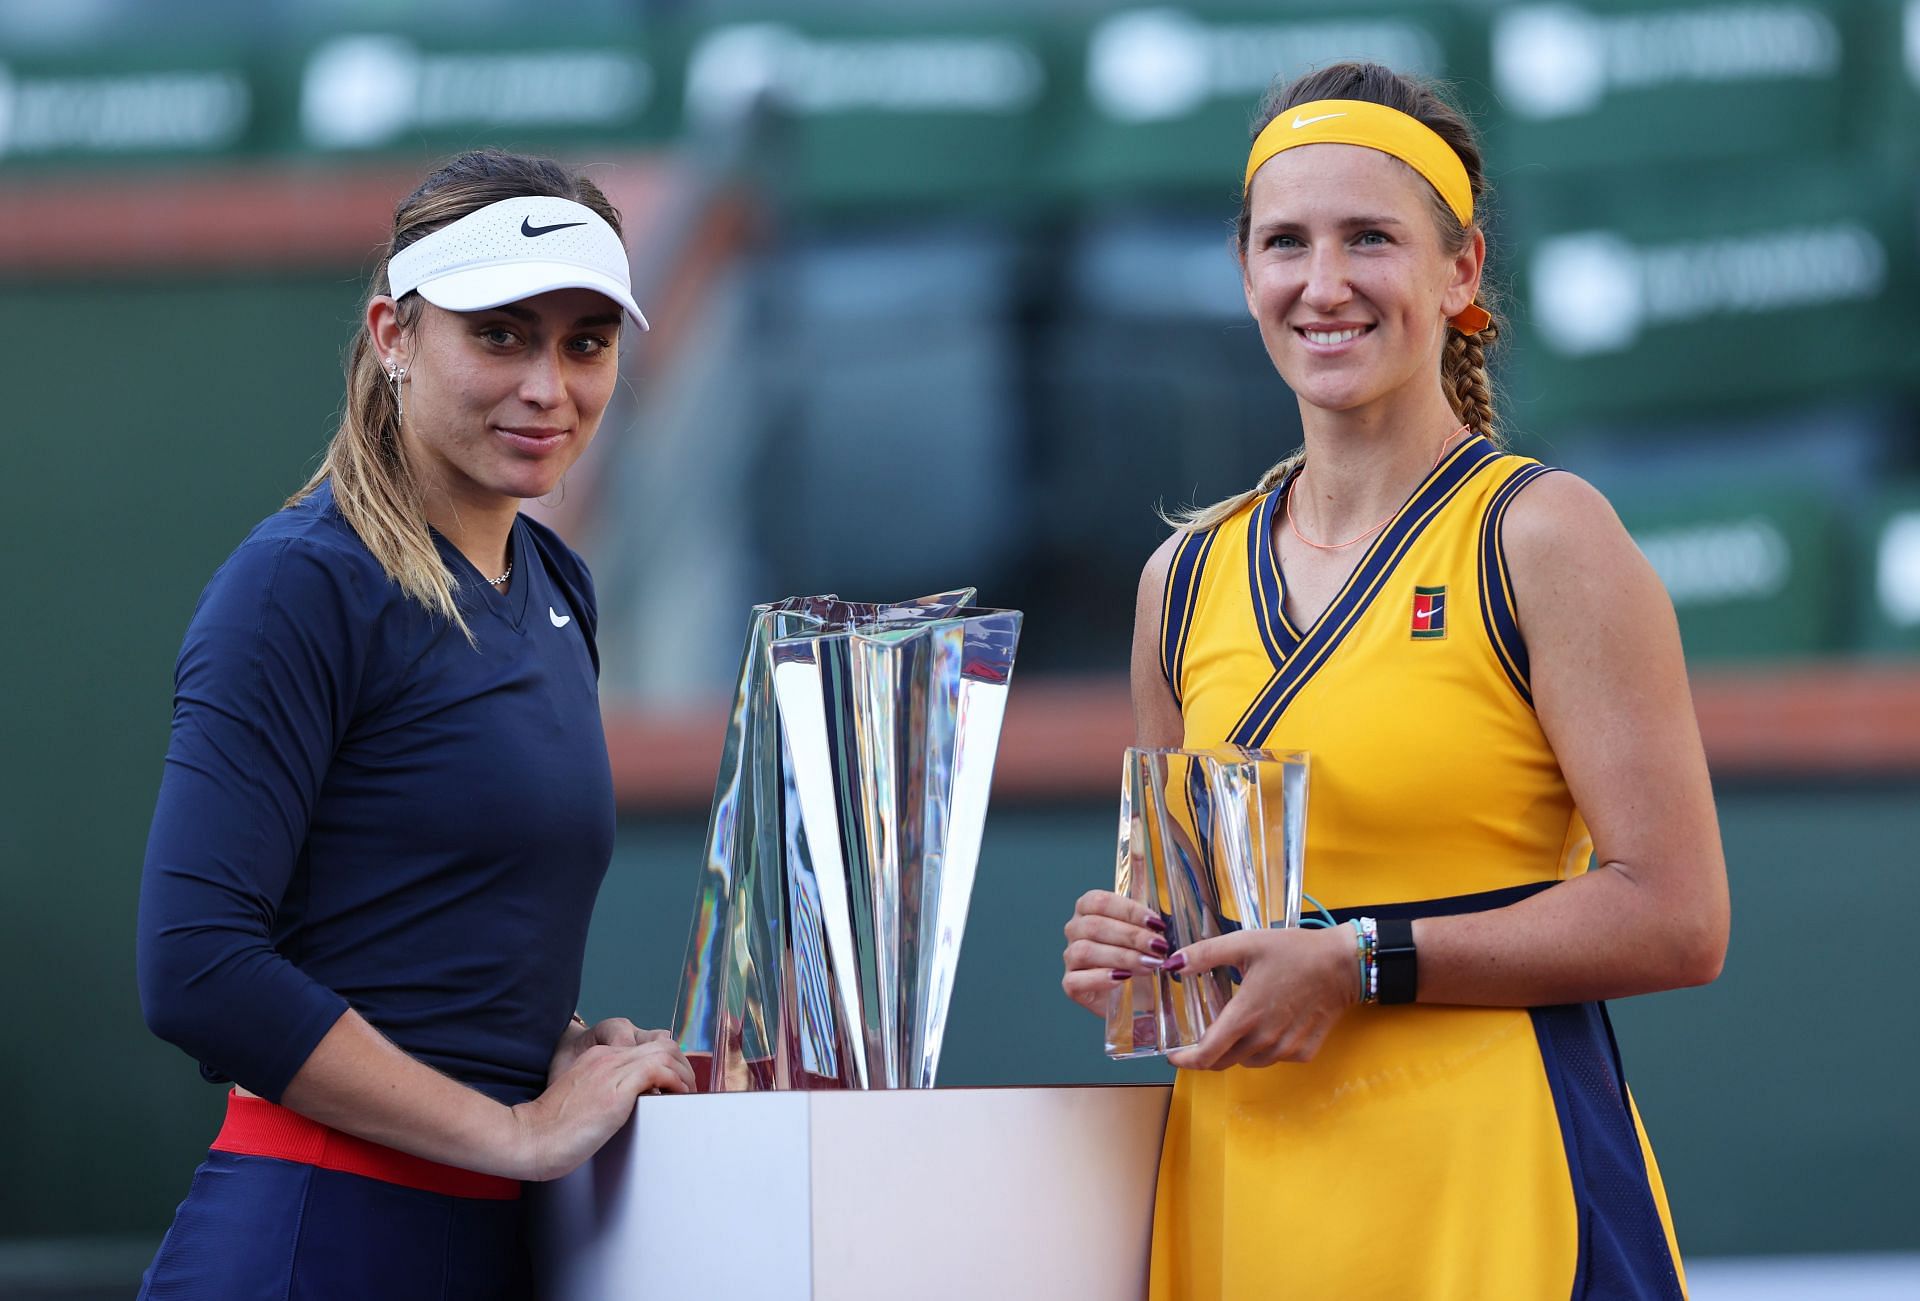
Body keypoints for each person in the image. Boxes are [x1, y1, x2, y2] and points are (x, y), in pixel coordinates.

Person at [1061, 63, 1729, 1299]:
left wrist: (1363, 955)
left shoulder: (1541, 532)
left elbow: (1678, 914)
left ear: (1461, 271)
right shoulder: (1185, 577)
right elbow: (1198, 934)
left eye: (1372, 237)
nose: (1325, 284)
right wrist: (1130, 948)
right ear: (1246, 274)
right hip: (1245, 1198)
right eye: (1286, 242)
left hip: (1492, 1194)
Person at [135, 149, 694, 1299]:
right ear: (394, 333)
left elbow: (422, 935)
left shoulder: (553, 582)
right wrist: (520, 1130)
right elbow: (196, 965)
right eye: (501, 334)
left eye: (586, 342)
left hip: (495, 1247)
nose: (549, 385)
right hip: (315, 1238)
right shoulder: (299, 581)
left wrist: (559, 1050)